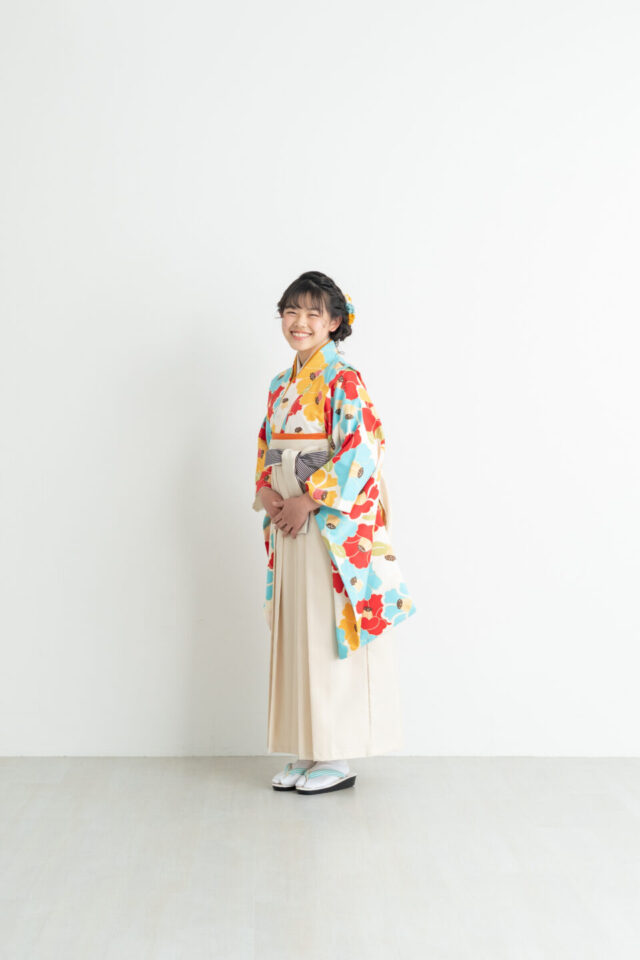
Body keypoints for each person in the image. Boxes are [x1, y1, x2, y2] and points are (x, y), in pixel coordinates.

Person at [252, 271, 417, 795]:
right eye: (291, 311)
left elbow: (363, 451)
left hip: (327, 526)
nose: (299, 322)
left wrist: (308, 500)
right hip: (290, 521)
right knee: (295, 632)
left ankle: (335, 755)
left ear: (334, 322)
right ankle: (307, 749)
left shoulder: (343, 380)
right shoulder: (280, 384)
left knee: (326, 631)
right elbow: (268, 446)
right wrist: (269, 494)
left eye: (312, 313)